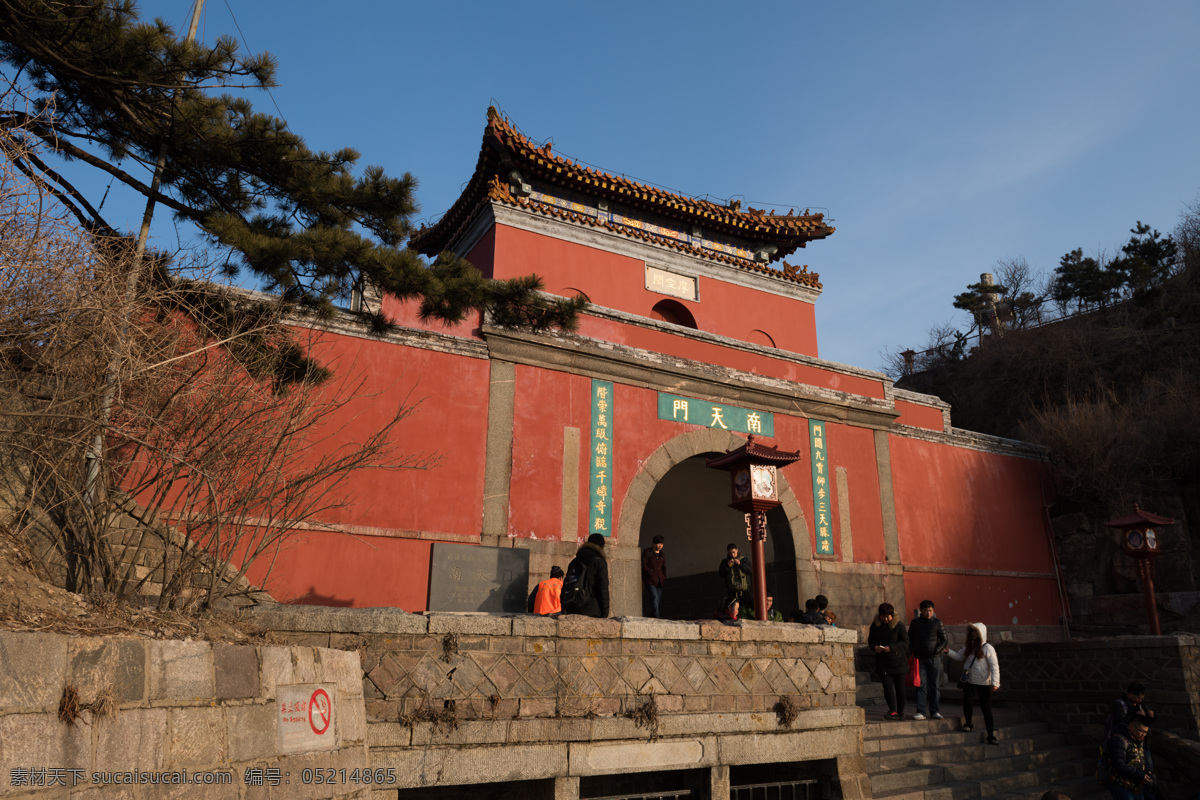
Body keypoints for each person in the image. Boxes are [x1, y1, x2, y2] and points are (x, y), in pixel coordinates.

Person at [949, 622, 1000, 744]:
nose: (973, 634)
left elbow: (994, 666)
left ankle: (991, 735)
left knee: (986, 708)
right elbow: (958, 656)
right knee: (967, 702)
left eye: (976, 632)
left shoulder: (988, 648)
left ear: (981, 633)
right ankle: (968, 723)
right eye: (972, 631)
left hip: (984, 682)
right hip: (969, 680)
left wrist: (995, 682)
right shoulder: (969, 647)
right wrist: (947, 651)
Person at [907, 599, 949, 720]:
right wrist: (914, 649)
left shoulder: (938, 623)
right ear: (921, 611)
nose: (928, 613)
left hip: (934, 658)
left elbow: (944, 639)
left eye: (930, 610)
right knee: (920, 685)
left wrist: (937, 650)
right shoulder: (915, 623)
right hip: (919, 658)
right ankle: (921, 711)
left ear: (933, 611)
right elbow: (910, 638)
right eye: (925, 610)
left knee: (935, 686)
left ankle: (935, 710)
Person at [868, 602, 910, 720]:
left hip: (898, 662)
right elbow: (871, 640)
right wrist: (875, 647)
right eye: (883, 616)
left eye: (888, 616)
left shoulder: (899, 626)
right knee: (887, 687)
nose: (885, 619)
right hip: (883, 662)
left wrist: (891, 647)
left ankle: (901, 711)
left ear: (892, 615)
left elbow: (905, 642)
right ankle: (892, 710)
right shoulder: (875, 625)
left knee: (900, 688)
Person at [561, 533, 610, 618]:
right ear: (601, 547)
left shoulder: (575, 561)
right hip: (591, 609)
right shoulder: (599, 562)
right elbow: (603, 588)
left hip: (573, 607)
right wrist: (605, 612)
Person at [1105, 716, 1155, 800]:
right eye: (1141, 731)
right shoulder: (1118, 740)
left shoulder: (1138, 739)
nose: (1144, 735)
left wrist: (1147, 772)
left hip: (1137, 787)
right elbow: (1118, 764)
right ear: (1131, 726)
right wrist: (1139, 774)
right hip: (1123, 786)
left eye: (1146, 732)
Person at [718, 543, 752, 608]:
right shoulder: (725, 561)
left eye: (734, 552)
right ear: (728, 552)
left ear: (737, 550)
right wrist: (728, 566)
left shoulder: (744, 559)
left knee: (747, 608)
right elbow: (721, 574)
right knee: (732, 609)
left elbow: (750, 571)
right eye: (730, 553)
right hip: (732, 592)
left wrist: (740, 564)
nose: (732, 555)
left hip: (745, 591)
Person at [641, 535, 666, 618]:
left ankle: (652, 615)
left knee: (657, 600)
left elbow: (663, 567)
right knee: (654, 597)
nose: (660, 546)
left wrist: (664, 576)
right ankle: (656, 618)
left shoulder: (662, 554)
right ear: (654, 544)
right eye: (658, 544)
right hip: (650, 580)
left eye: (661, 544)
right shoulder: (647, 552)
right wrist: (649, 572)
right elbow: (643, 564)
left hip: (660, 581)